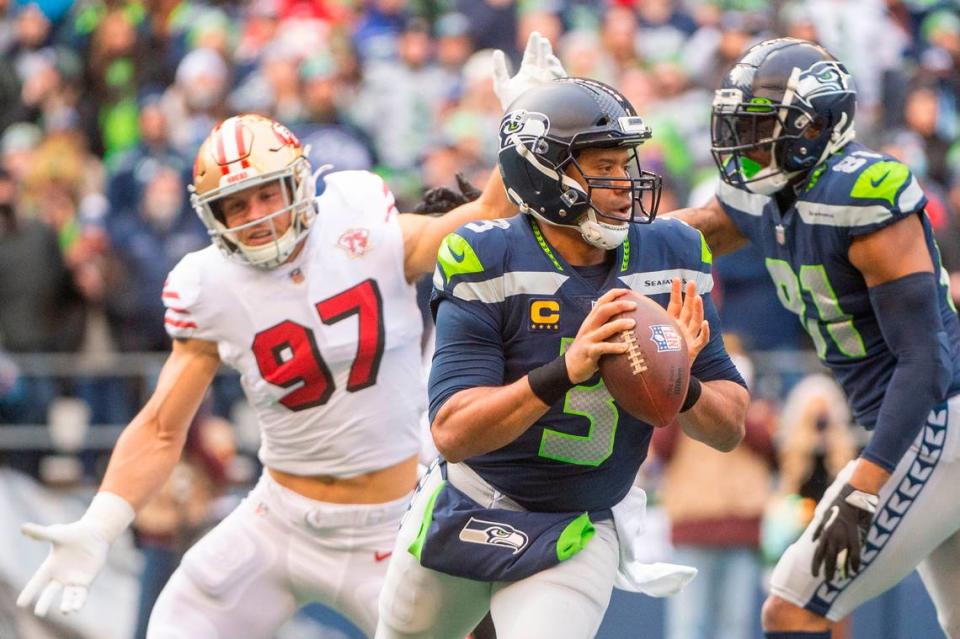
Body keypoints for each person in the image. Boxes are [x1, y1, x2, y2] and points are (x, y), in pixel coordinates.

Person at [14, 107, 515, 636]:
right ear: (213, 217)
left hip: (392, 524)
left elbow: (487, 210)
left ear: (298, 182)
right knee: (179, 623)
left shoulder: (364, 226)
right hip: (280, 521)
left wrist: (525, 122)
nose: (255, 215)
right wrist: (100, 525)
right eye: (235, 204)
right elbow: (163, 425)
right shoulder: (210, 285)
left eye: (267, 193)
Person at [375, 76, 749, 639]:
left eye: (625, 162)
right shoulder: (487, 256)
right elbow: (452, 431)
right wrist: (563, 372)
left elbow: (729, 427)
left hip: (578, 524)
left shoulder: (671, 254)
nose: (624, 183)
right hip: (471, 503)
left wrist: (682, 381)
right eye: (602, 168)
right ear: (543, 172)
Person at [669, 38, 960, 639]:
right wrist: (570, 229)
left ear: (812, 127)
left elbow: (924, 358)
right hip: (922, 422)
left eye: (756, 126)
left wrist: (867, 482)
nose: (742, 143)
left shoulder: (863, 195)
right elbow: (680, 238)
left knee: (793, 607)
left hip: (937, 420)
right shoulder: (765, 196)